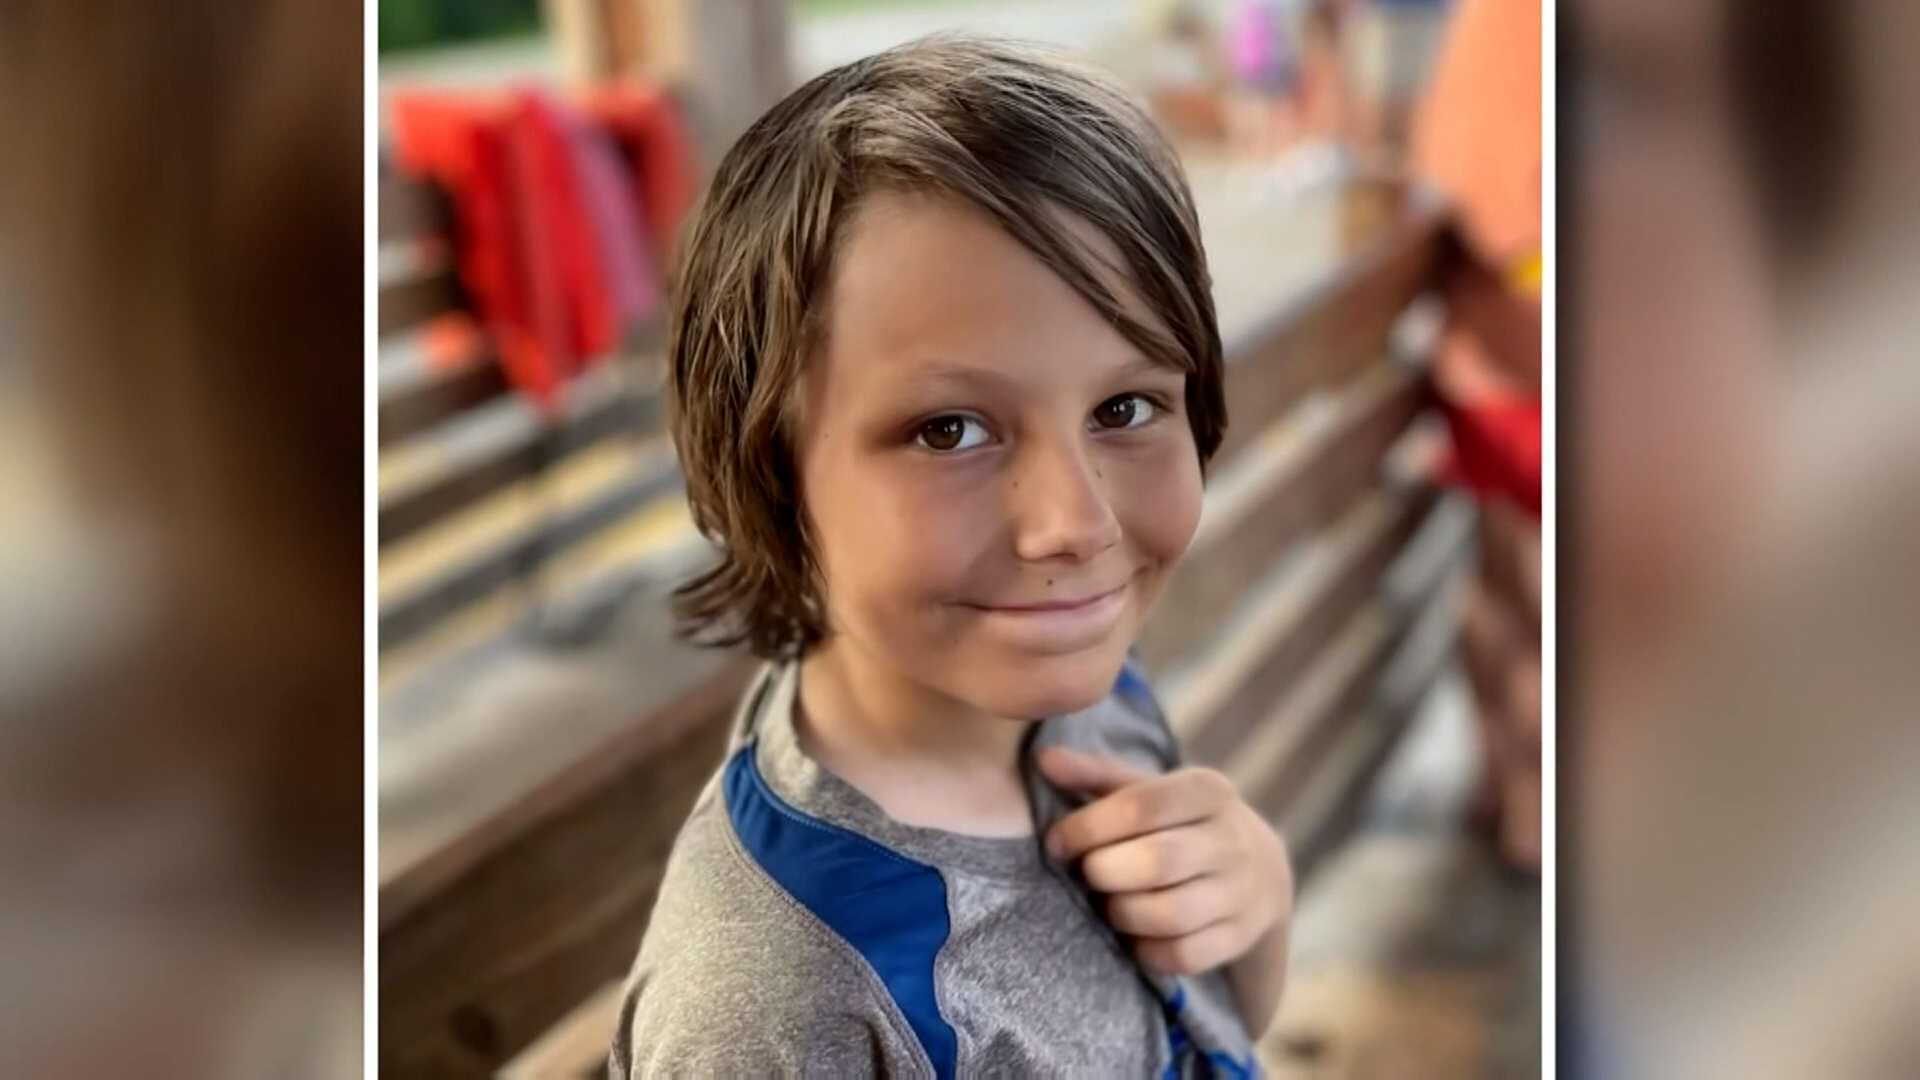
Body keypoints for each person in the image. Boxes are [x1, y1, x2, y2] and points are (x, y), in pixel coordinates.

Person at [609, 36, 1293, 1077]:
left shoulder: (1074, 681)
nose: (1077, 524)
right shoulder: (778, 1005)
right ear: (771, 468)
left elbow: (1216, 1026)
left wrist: (1256, 898)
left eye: (1124, 407)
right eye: (950, 431)